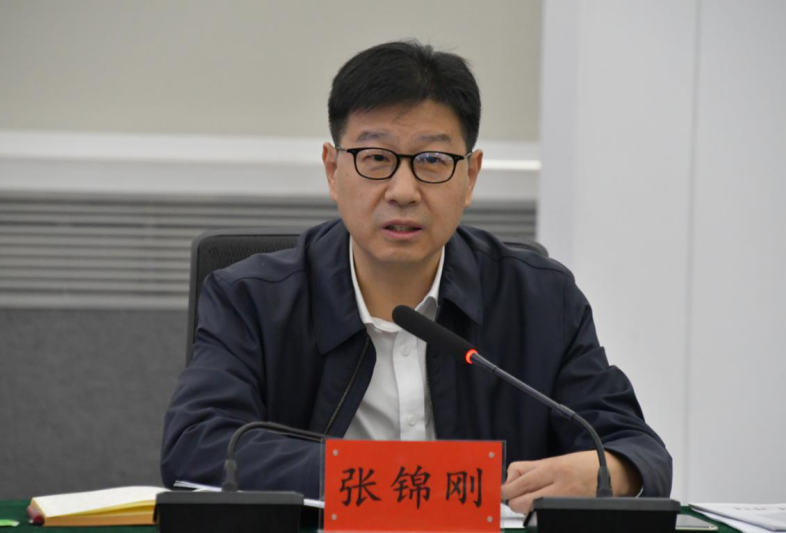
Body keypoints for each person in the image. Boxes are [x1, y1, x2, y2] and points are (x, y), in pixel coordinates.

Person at [161, 40, 672, 514]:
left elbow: (635, 449)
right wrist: (399, 478)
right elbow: (197, 446)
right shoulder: (250, 299)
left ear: (470, 176)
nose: (403, 191)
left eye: (431, 160)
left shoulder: (540, 300)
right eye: (376, 158)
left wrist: (608, 472)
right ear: (332, 170)